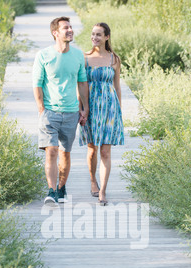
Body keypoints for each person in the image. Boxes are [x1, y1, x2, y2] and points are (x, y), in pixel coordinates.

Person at [33, 17, 89, 205]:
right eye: (66, 28)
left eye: (71, 27)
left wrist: (84, 108)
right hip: (50, 111)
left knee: (65, 152)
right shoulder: (43, 55)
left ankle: (61, 188)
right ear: (55, 33)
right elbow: (37, 84)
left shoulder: (78, 55)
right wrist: (41, 108)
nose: (70, 30)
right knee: (52, 150)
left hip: (72, 111)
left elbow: (82, 83)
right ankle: (51, 190)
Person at [79, 23, 124, 206]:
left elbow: (117, 86)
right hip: (90, 107)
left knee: (105, 151)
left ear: (107, 37)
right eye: (93, 34)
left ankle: (103, 191)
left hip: (109, 108)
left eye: (98, 35)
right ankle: (92, 180)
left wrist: (119, 110)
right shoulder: (85, 58)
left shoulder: (114, 59)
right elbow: (80, 86)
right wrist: (82, 109)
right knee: (92, 149)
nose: (94, 38)